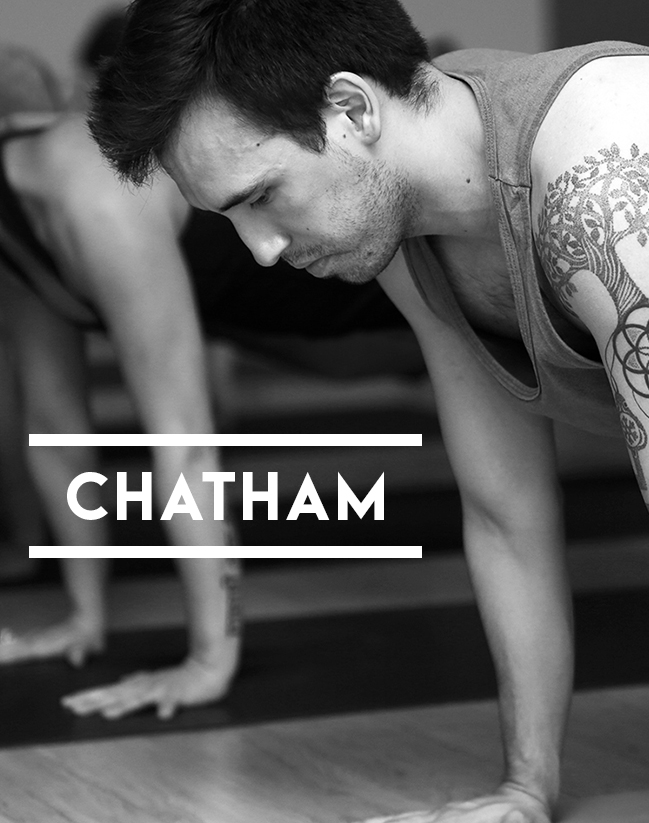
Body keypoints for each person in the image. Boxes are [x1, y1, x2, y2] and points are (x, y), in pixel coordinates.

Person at [88, 0, 649, 822]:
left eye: (262, 198)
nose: (259, 249)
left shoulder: (610, 187)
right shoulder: (405, 232)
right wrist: (525, 789)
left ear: (350, 110)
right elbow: (507, 514)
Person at [0, 42, 415, 722]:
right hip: (294, 327)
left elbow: (186, 442)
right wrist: (85, 616)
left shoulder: (90, 191)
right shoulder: (12, 218)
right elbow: (55, 428)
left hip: (363, 304)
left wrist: (208, 659)